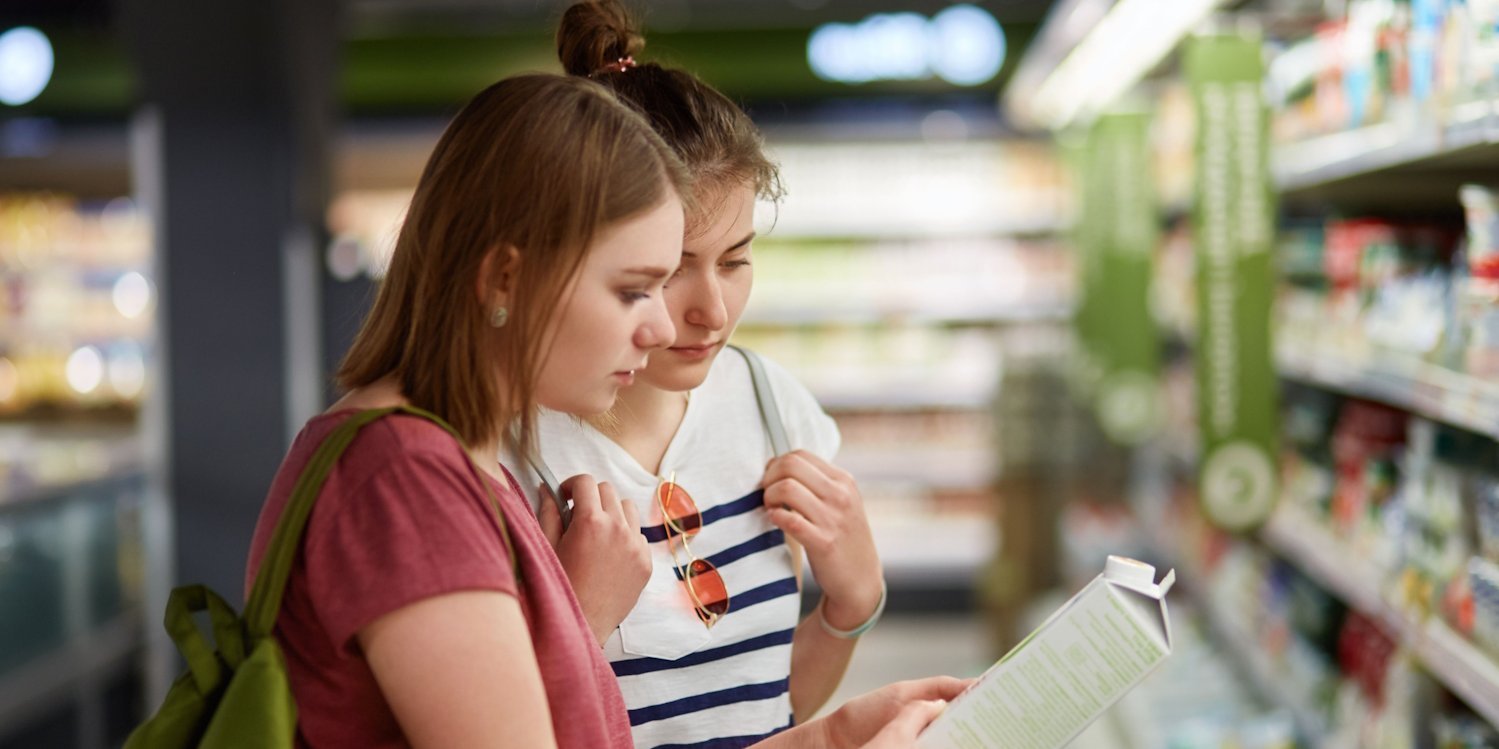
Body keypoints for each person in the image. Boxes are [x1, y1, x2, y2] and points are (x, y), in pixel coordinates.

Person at [244, 72, 963, 748]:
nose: (664, 328)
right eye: (634, 289)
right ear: (504, 277)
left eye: (733, 259)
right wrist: (579, 619)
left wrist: (831, 736)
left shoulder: (447, 461)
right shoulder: (406, 480)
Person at [504, 3, 885, 747]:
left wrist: (852, 599)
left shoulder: (774, 407)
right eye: (672, 268)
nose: (712, 310)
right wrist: (577, 622)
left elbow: (766, 708)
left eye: (738, 260)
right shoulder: (509, 449)